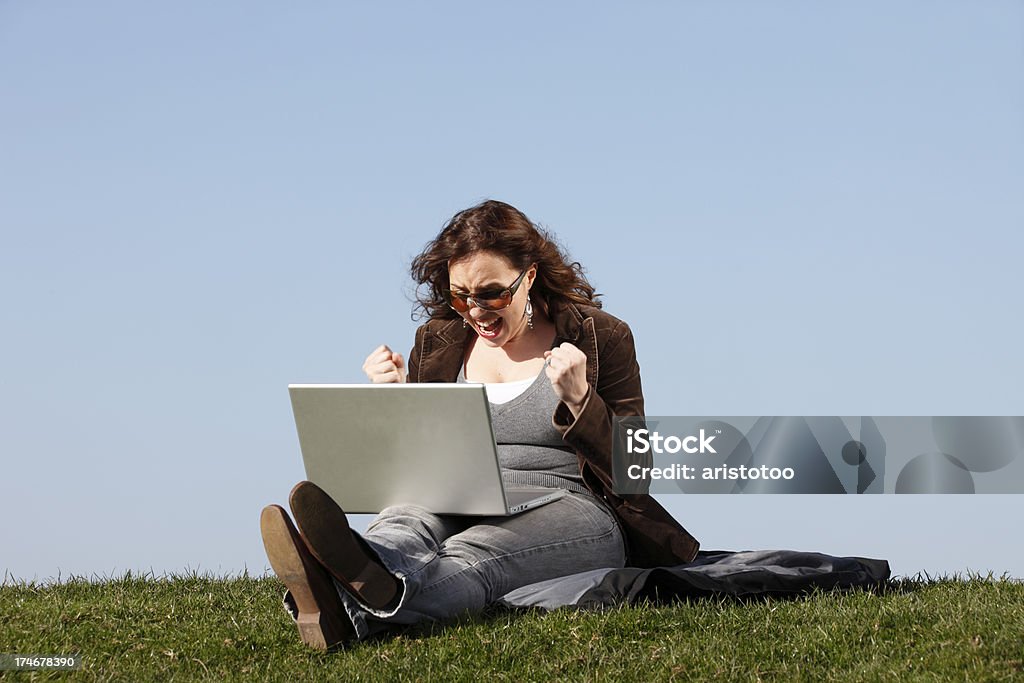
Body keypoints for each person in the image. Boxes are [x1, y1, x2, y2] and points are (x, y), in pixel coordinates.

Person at [260, 200, 700, 649]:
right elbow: (421, 447)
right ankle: (363, 568)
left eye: (491, 293)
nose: (476, 311)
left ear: (528, 276)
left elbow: (636, 469)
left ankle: (340, 594)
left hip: (571, 504)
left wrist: (581, 400)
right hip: (457, 491)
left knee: (477, 555)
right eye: (460, 296)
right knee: (403, 523)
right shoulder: (439, 339)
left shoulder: (600, 335)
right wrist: (394, 396)